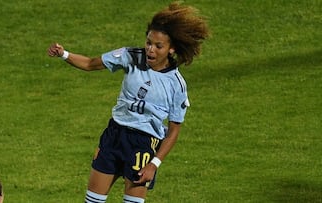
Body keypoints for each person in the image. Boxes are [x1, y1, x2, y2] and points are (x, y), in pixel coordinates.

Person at [47, 2, 209, 202]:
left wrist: (154, 164)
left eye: (158, 46)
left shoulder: (176, 85)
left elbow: (174, 130)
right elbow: (90, 63)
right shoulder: (130, 56)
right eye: (148, 42)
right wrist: (63, 54)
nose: (150, 49)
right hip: (114, 135)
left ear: (171, 49)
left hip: (143, 145)